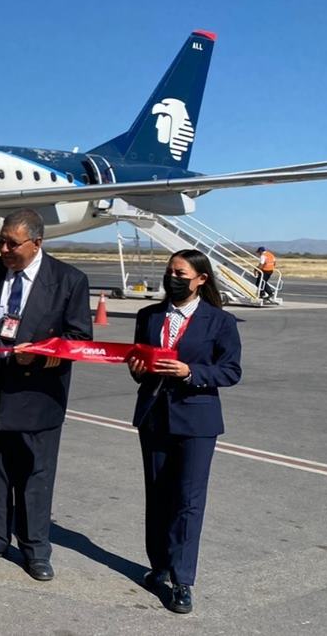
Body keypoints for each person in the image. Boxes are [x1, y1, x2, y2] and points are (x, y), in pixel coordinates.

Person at [0, 209, 91, 582]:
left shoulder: (68, 280)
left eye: (12, 243)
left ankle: (35, 549)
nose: (4, 249)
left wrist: (42, 355)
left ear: (37, 243)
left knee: (34, 476)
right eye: (1, 240)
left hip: (36, 395)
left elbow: (79, 340)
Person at [127, 249, 242, 614]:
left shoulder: (220, 322)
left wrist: (190, 372)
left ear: (201, 279)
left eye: (180, 273)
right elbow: (140, 367)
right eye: (169, 271)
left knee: (188, 501)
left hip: (196, 421)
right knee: (158, 495)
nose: (172, 278)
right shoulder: (149, 316)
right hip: (154, 417)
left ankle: (183, 580)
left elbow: (230, 371)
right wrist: (138, 368)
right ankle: (159, 564)